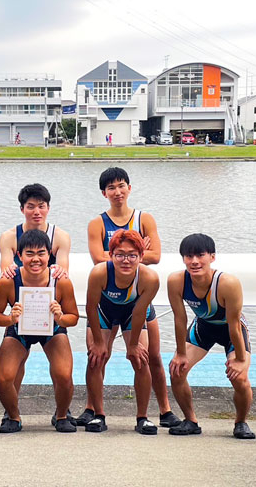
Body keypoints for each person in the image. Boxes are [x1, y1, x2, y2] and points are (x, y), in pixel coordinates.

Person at [79, 167, 181, 429]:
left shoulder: (144, 218)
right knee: (97, 355)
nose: (117, 191)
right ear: (104, 193)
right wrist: (135, 252)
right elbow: (97, 259)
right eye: (111, 188)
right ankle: (94, 409)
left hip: (137, 298)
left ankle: (163, 410)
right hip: (106, 302)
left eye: (121, 185)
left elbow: (156, 255)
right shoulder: (98, 223)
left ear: (129, 188)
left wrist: (122, 255)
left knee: (150, 356)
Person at [167, 233, 256, 439]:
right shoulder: (176, 281)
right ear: (183, 259)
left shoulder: (228, 283)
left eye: (200, 255)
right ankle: (191, 421)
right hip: (203, 327)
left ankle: (241, 422)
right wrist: (181, 354)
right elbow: (180, 319)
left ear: (212, 257)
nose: (195, 261)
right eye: (189, 256)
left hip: (231, 331)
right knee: (177, 370)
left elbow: (234, 325)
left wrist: (241, 360)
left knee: (240, 378)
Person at [0, 230, 79, 433]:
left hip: (53, 328)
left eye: (41, 253)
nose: (36, 259)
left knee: (64, 374)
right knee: (4, 377)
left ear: (49, 255)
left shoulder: (61, 281)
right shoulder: (8, 281)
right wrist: (9, 319)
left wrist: (60, 317)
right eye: (29, 254)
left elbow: (73, 318)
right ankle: (13, 416)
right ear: (19, 256)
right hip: (19, 328)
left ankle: (62, 414)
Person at [84, 230, 160, 434]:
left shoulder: (149, 278)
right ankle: (98, 415)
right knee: (95, 358)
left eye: (132, 255)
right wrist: (99, 342)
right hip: (103, 312)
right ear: (111, 255)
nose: (126, 260)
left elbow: (139, 313)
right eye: (120, 254)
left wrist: (133, 345)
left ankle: (142, 417)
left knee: (141, 359)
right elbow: (91, 307)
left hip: (131, 313)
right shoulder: (100, 273)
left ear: (141, 257)